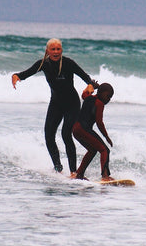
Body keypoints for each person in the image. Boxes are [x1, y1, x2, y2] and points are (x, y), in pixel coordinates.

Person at [12, 38, 96, 175]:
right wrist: (15, 76)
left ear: (61, 50)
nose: (56, 52)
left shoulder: (68, 63)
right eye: (53, 49)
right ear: (48, 51)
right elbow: (26, 73)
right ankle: (58, 168)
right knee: (49, 135)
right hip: (56, 104)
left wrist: (90, 85)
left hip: (72, 104)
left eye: (58, 49)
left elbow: (85, 76)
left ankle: (74, 172)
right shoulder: (43, 64)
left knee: (66, 135)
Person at [72, 83, 114, 182]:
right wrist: (106, 137)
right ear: (101, 93)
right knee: (104, 150)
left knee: (92, 150)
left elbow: (83, 94)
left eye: (110, 97)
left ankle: (79, 174)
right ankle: (105, 176)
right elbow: (99, 123)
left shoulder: (88, 97)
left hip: (75, 129)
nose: (109, 99)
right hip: (83, 129)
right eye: (108, 96)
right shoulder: (99, 104)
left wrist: (92, 86)